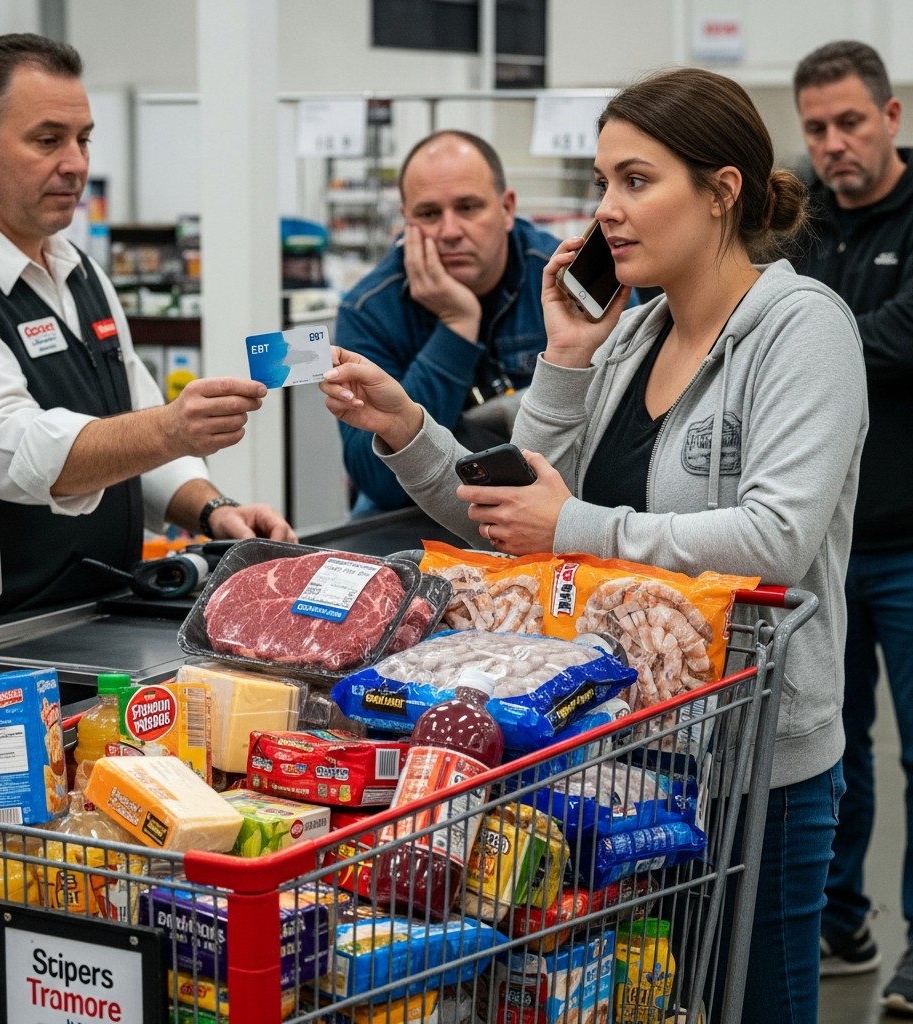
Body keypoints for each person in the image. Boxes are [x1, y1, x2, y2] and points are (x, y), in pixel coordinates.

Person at [321, 66, 868, 1024]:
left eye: (636, 180)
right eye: (604, 183)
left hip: (751, 760)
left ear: (720, 190)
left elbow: (776, 538)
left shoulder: (802, 331)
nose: (607, 211)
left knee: (758, 1002)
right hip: (615, 748)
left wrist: (576, 526)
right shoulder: (626, 332)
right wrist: (417, 423)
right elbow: (512, 504)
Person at [0, 33, 295, 630]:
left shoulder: (79, 272)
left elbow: (133, 421)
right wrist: (169, 428)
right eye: (48, 140)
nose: (76, 163)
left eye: (83, 139)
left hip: (104, 619)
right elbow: (18, 451)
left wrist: (212, 510)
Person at [791, 40, 913, 1011]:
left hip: (911, 543)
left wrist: (807, 346)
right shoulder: (802, 221)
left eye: (849, 122)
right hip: (822, 546)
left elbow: (900, 338)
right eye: (816, 128)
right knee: (835, 750)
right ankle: (840, 918)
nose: (833, 144)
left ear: (891, 116)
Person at [334, 129, 562, 513]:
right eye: (428, 214)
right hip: (417, 508)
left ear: (507, 209)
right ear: (405, 220)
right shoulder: (369, 309)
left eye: (469, 207)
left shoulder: (561, 279)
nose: (450, 231)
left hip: (553, 494)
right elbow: (378, 482)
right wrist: (457, 326)